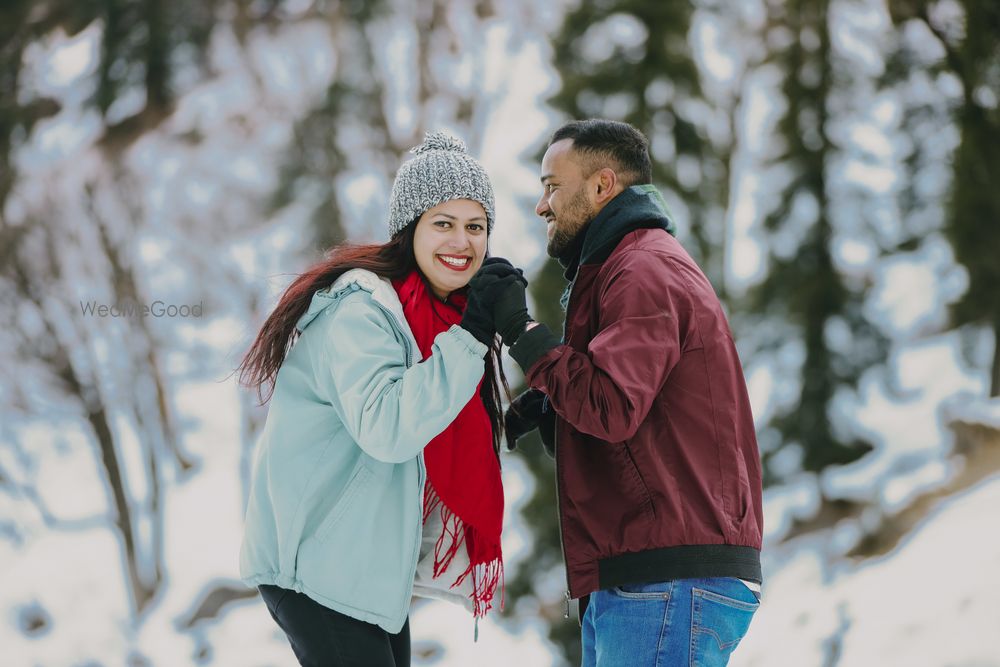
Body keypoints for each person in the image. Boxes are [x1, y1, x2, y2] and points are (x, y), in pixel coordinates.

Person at [236, 131, 520, 666]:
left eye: (475, 227)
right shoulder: (363, 313)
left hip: (364, 575)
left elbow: (436, 415)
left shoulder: (437, 320)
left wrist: (512, 413)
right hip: (316, 568)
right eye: (443, 224)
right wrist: (473, 335)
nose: (462, 242)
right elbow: (389, 428)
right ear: (409, 229)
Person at [489, 119, 764, 666]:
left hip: (667, 576)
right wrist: (535, 408)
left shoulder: (642, 269)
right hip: (652, 571)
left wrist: (522, 332)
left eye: (551, 186)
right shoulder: (628, 266)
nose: (541, 206)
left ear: (601, 185)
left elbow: (612, 406)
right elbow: (636, 405)